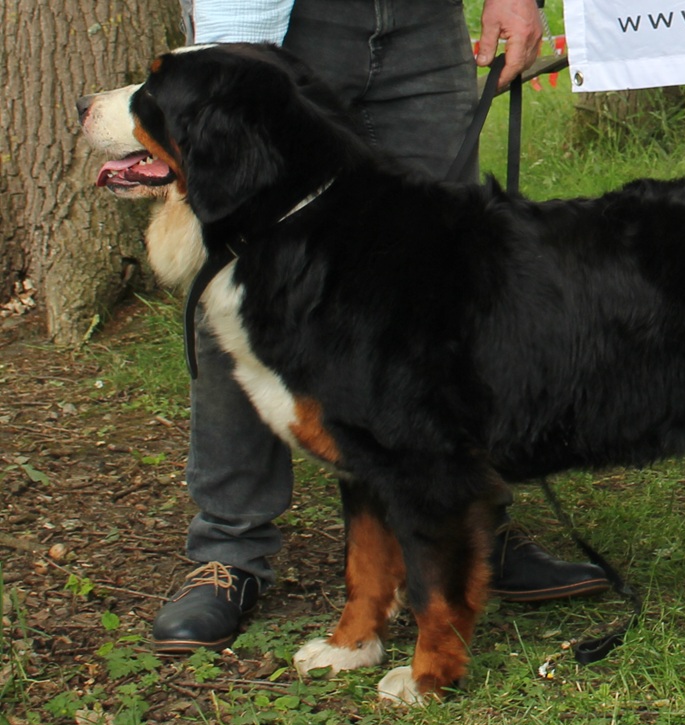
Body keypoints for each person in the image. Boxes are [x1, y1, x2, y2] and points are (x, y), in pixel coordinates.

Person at [152, 0, 610, 654]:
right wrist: (235, 52)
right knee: (245, 275)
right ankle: (229, 547)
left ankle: (470, 526)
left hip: (425, 29)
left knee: (441, 287)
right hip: (289, 25)